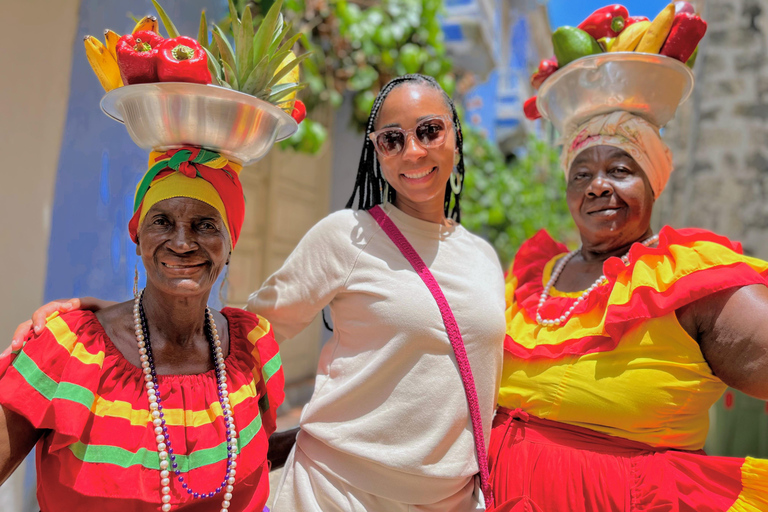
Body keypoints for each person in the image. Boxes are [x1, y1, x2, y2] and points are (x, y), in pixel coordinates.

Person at [11, 74, 507, 511]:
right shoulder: (348, 236)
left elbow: (488, 380)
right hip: (338, 497)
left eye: (429, 131)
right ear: (376, 152)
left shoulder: (484, 258)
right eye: (392, 139)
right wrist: (106, 324)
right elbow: (244, 330)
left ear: (455, 136)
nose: (413, 151)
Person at [489, 108, 768, 510]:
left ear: (652, 184)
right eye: (581, 175)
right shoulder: (534, 274)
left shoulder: (687, 278)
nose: (597, 186)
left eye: (619, 170)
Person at [0, 147, 285, 511]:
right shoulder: (68, 350)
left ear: (229, 244)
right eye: (162, 222)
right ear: (138, 240)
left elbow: (244, 460)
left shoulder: (252, 347)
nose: (182, 242)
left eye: (206, 225)